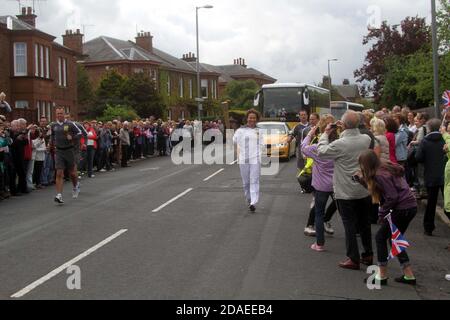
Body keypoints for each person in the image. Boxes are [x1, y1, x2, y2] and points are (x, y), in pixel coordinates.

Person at [318, 110, 374, 270]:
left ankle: (353, 258)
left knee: (349, 224)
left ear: (344, 125)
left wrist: (325, 134)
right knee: (364, 224)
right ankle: (368, 254)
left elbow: (322, 152)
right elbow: (352, 135)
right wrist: (346, 128)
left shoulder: (340, 144)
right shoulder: (365, 139)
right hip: (363, 189)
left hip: (345, 191)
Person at [358, 150, 417, 286]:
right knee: (394, 239)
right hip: (410, 206)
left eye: (362, 165)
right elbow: (384, 191)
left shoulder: (380, 175)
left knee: (380, 238)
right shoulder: (385, 167)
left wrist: (381, 214)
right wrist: (361, 180)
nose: (361, 167)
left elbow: (392, 197)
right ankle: (409, 275)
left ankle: (382, 275)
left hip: (402, 209)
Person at [302, 122, 338, 251]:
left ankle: (319, 244)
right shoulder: (339, 147)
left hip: (321, 186)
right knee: (343, 211)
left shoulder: (316, 149)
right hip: (336, 185)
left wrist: (311, 133)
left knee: (319, 213)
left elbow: (303, 147)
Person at [416, 119, 446, 236]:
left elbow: (418, 157)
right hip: (445, 175)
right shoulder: (445, 139)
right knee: (448, 202)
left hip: (430, 175)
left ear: (429, 128)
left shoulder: (425, 141)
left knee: (431, 203)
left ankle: (428, 227)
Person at [233, 109, 264, 213]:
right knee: (246, 182)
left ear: (257, 119)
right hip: (243, 159)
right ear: (247, 118)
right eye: (250, 117)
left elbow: (262, 144)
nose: (252, 119)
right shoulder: (240, 130)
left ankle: (253, 202)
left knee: (254, 180)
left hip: (255, 159)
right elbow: (234, 140)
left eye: (254, 118)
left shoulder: (259, 131)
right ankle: (249, 199)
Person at [50, 107, 82, 204]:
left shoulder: (70, 124)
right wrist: (51, 144)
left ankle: (76, 187)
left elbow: (80, 133)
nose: (59, 115)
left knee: (72, 173)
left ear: (64, 114)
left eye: (61, 113)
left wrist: (72, 137)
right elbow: (52, 136)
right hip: (59, 151)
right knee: (59, 173)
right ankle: (59, 195)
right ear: (56, 114)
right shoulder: (53, 125)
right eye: (58, 113)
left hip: (69, 151)